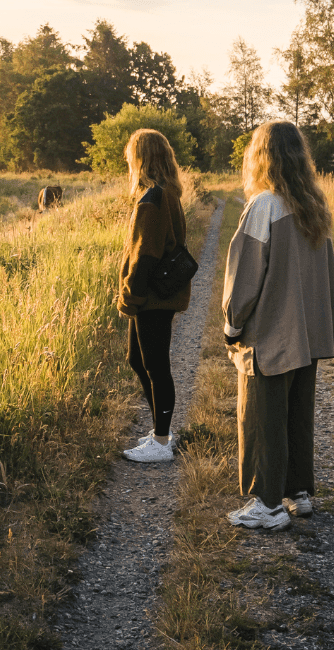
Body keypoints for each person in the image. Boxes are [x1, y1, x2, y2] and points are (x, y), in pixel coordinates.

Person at [221, 120, 334, 529]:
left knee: (263, 417)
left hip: (271, 336)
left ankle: (268, 505)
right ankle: (297, 492)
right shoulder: (312, 205)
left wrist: (232, 325)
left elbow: (245, 276)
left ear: (261, 157)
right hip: (305, 336)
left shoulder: (265, 205)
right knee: (296, 414)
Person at [118, 128, 193, 463]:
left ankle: (161, 442)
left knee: (156, 366)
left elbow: (145, 255)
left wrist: (130, 297)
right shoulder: (167, 194)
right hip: (158, 294)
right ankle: (161, 431)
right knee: (138, 360)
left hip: (152, 296)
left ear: (141, 159)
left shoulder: (152, 199)